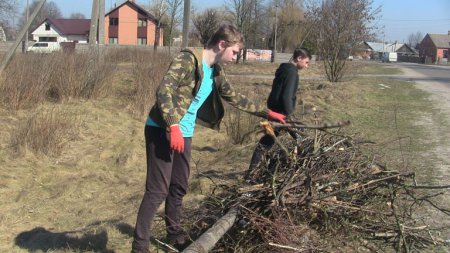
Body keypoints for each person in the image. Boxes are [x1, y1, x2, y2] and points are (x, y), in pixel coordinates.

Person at [131, 24, 286, 253]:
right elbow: (164, 90)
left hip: (184, 133)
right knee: (158, 190)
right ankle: (139, 246)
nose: (235, 57)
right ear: (222, 44)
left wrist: (267, 113)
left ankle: (174, 234)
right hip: (162, 129)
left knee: (179, 186)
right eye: (234, 51)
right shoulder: (188, 60)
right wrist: (173, 124)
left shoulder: (215, 70)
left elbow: (234, 97)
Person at [247, 48, 311, 177]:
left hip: (274, 110)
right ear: (299, 58)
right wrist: (289, 116)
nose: (307, 66)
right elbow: (286, 96)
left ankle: (251, 172)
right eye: (306, 62)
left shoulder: (284, 69)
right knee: (301, 137)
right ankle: (305, 170)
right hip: (282, 113)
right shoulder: (292, 72)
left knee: (267, 141)